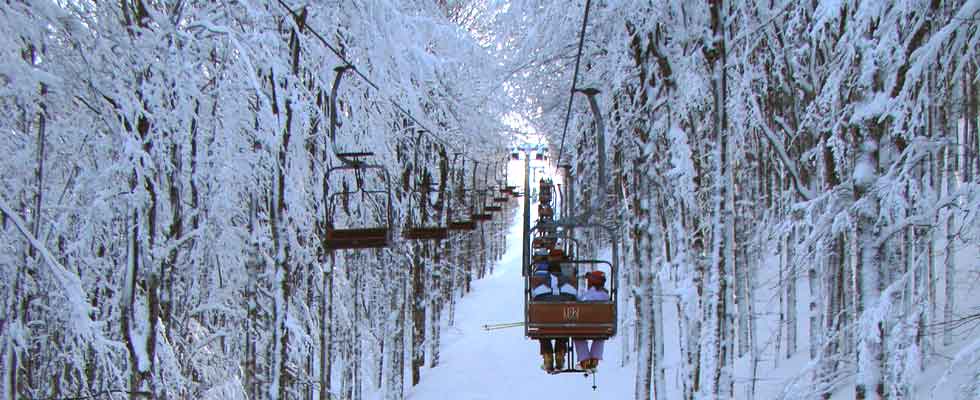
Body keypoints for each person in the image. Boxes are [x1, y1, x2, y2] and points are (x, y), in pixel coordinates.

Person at [530, 262, 576, 372]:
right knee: (564, 329)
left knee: (543, 330)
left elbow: (534, 299)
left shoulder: (541, 286)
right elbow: (575, 300)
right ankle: (560, 353)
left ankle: (547, 355)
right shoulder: (569, 286)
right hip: (563, 323)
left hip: (545, 322)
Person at [573, 271, 609, 371]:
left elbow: (580, 303)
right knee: (600, 336)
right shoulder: (605, 296)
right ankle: (595, 359)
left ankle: (584, 360)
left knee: (578, 335)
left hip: (585, 325)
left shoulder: (588, 295)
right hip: (601, 326)